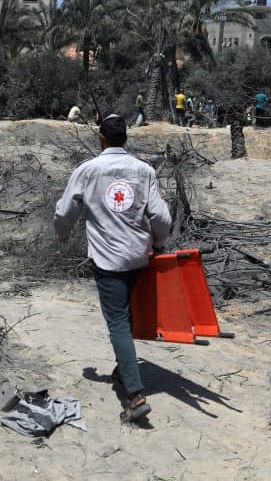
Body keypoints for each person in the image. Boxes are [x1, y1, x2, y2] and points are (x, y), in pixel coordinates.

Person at [54, 114, 172, 423]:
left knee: (118, 322)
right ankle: (124, 369)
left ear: (102, 139)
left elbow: (66, 211)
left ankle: (134, 395)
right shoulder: (144, 171)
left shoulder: (88, 170)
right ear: (125, 139)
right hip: (139, 256)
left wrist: (63, 232)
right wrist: (158, 244)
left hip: (109, 260)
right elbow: (161, 217)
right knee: (129, 316)